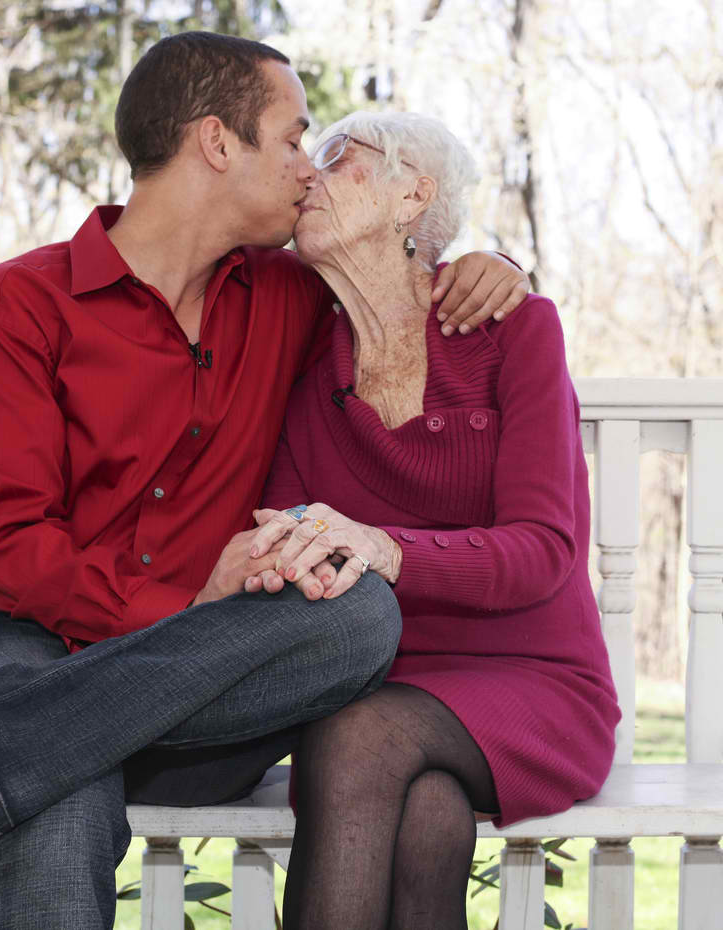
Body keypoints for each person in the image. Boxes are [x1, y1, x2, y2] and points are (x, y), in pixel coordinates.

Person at [0, 32, 531, 929]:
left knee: (360, 617)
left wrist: (487, 268)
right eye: (294, 139)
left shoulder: (290, 299)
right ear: (218, 144)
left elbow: (395, 278)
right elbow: (7, 553)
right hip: (21, 642)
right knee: (55, 796)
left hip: (202, 693)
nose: (308, 167)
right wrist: (182, 599)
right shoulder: (11, 313)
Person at [244, 111, 620, 930]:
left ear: (414, 193)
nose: (311, 171)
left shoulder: (512, 330)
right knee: (427, 818)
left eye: (339, 156)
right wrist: (290, 554)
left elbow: (544, 549)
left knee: (356, 736)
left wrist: (385, 549)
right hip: (381, 677)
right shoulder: (310, 376)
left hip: (533, 678)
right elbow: (294, 534)